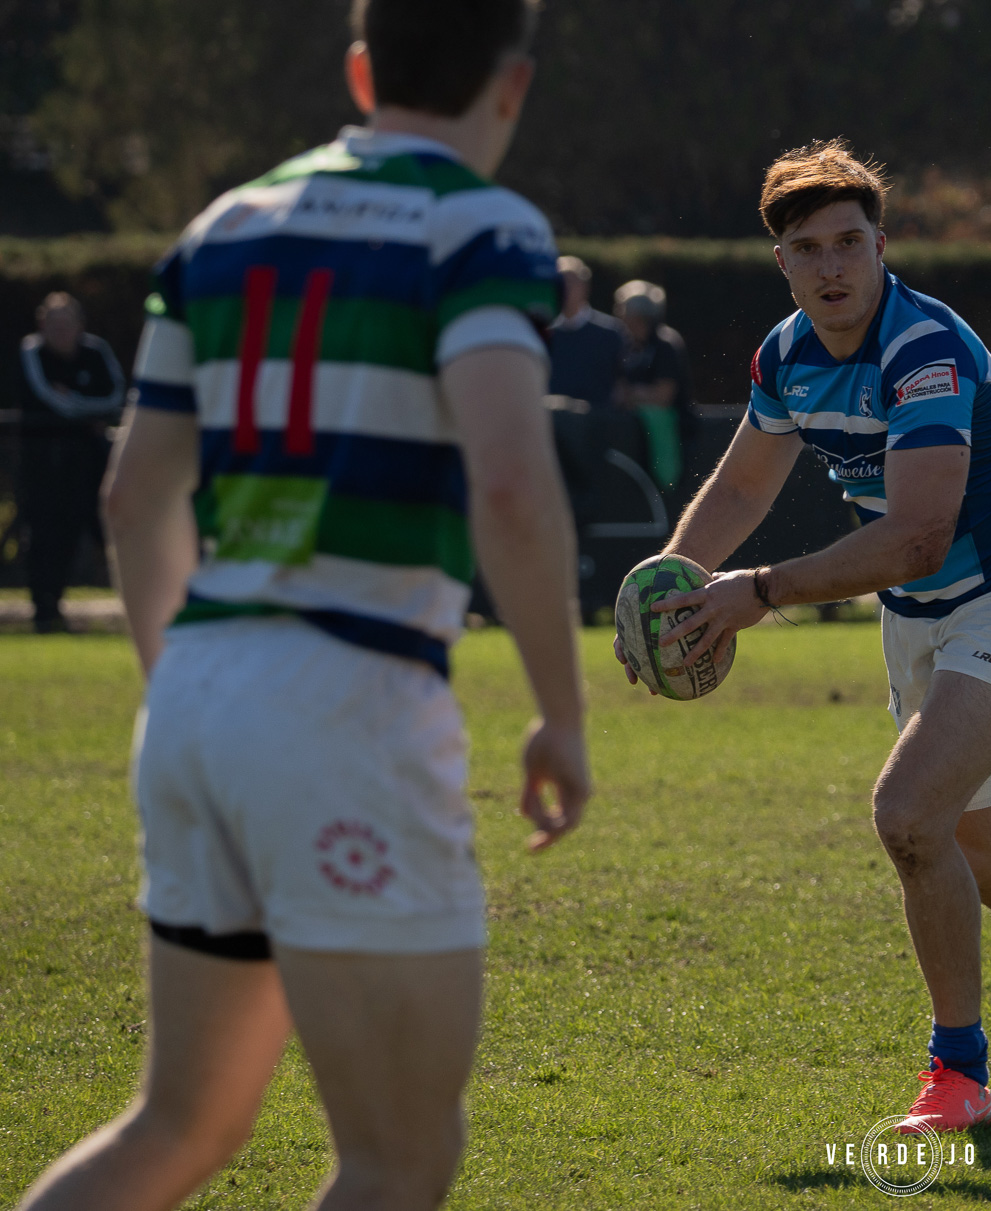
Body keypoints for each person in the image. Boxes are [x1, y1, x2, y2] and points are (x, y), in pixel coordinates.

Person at [15, 3, 592, 1210]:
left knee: (175, 1127)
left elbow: (134, 500)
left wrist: (193, 693)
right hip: (350, 701)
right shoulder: (486, 226)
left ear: (362, 68)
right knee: (400, 1159)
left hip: (197, 696)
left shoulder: (228, 220)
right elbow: (510, 482)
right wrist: (560, 710)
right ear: (517, 87)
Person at [614, 139, 991, 1134]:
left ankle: (961, 1076)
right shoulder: (785, 356)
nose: (831, 266)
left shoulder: (922, 349)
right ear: (781, 262)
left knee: (907, 815)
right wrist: (675, 587)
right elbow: (739, 486)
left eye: (849, 242)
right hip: (920, 617)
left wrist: (759, 590)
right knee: (977, 853)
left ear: (880, 244)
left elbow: (916, 535)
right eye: (808, 248)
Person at [13, 292, 124, 631]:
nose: (60, 331)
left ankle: (140, 612)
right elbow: (47, 399)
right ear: (42, 324)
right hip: (45, 466)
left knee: (112, 532)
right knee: (48, 538)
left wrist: (75, 404)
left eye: (67, 324)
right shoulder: (32, 352)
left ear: (80, 326)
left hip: (91, 464)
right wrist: (84, 412)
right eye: (53, 324)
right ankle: (46, 614)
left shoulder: (96, 351)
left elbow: (116, 398)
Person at [614, 279, 693, 490]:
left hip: (678, 434)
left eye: (623, 311)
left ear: (638, 316)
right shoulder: (628, 346)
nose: (619, 316)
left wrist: (631, 394)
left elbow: (663, 395)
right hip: (635, 435)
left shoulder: (666, 344)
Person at [547, 255, 626, 407]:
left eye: (571, 282)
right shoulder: (545, 333)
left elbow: (621, 384)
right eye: (561, 282)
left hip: (598, 422)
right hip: (555, 421)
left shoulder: (610, 332)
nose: (566, 289)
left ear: (585, 287)